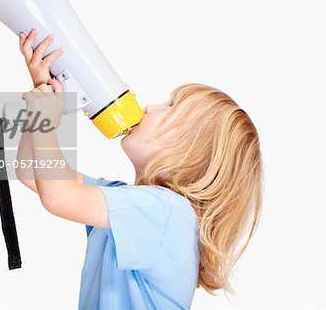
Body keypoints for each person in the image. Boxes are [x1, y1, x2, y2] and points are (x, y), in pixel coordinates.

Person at [15, 29, 263, 310]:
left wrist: (44, 114)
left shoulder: (167, 212)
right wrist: (43, 93)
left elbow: (59, 196)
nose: (149, 106)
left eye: (170, 107)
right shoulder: (129, 202)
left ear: (191, 156)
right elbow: (30, 171)